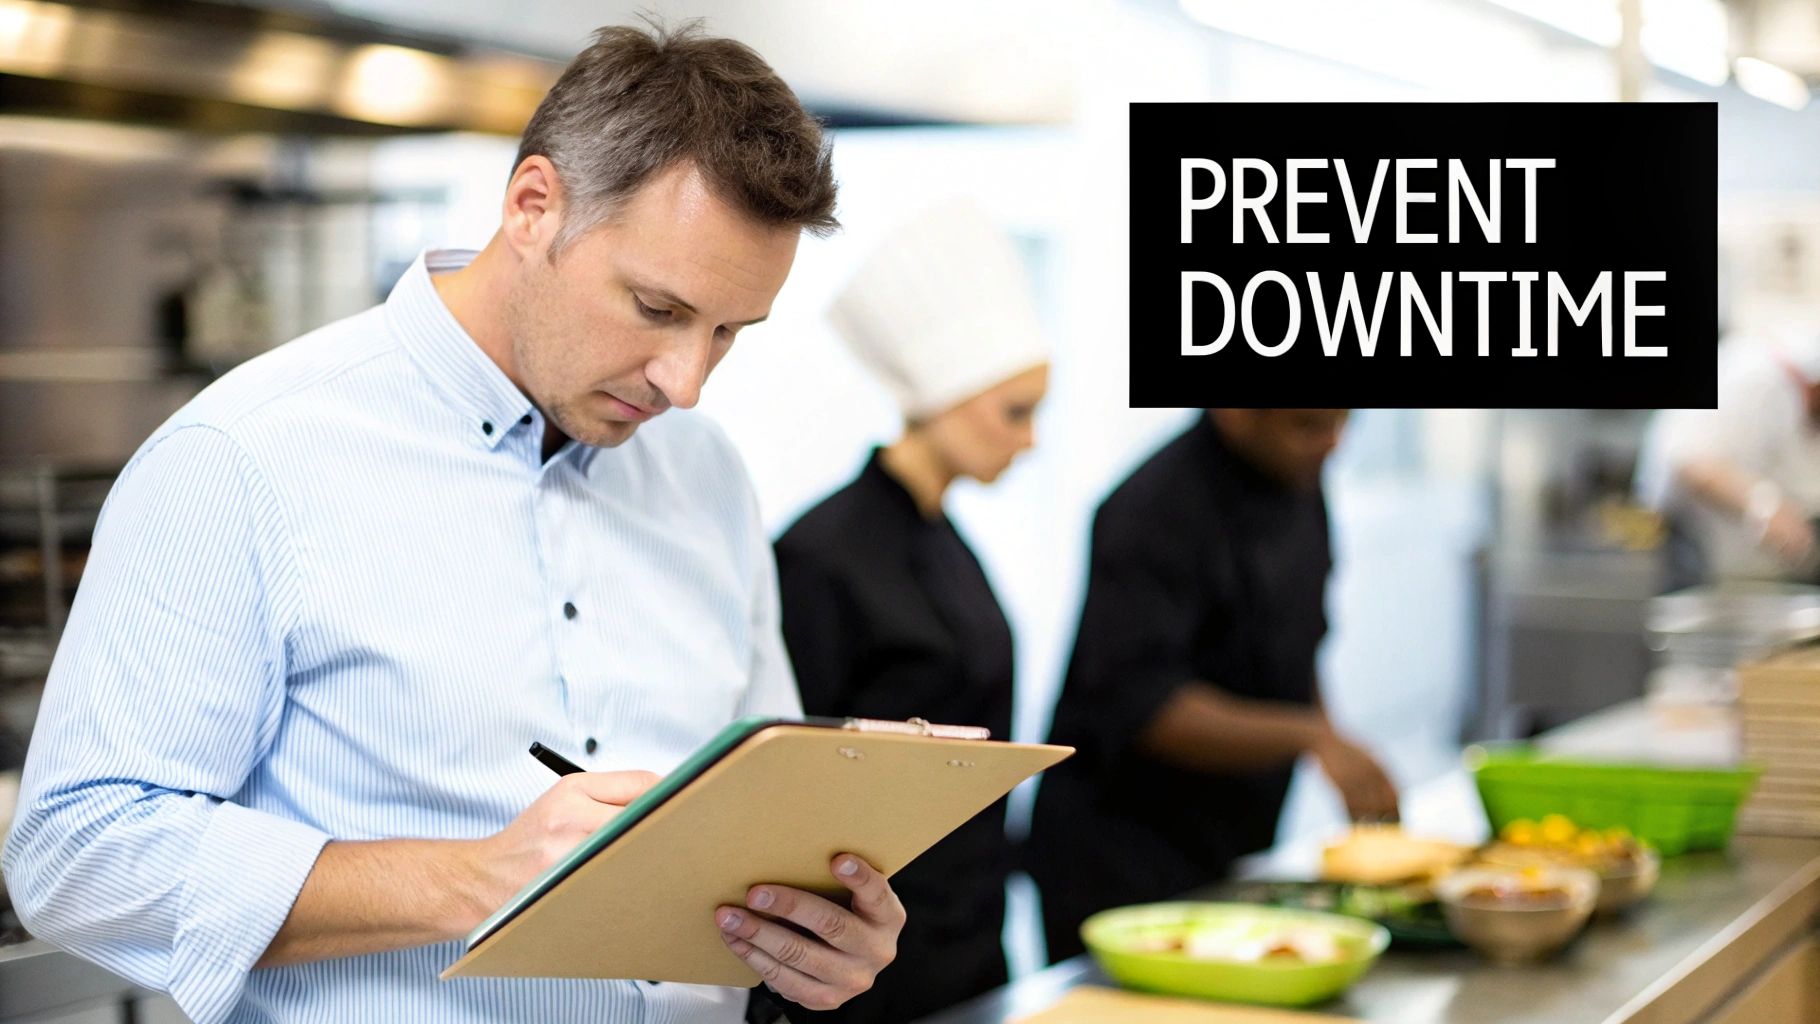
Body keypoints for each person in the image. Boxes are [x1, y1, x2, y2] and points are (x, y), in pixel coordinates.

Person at [3, 23, 903, 1024]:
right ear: (533, 207)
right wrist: (475, 877)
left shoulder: (707, 475)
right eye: (657, 308)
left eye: (728, 331)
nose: (685, 382)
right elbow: (76, 855)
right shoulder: (243, 456)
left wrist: (812, 934)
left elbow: (756, 816)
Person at [773, 201, 1048, 1023]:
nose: (1030, 441)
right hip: (868, 967)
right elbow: (791, 787)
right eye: (1016, 412)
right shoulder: (821, 555)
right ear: (943, 399)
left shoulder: (945, 540)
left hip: (973, 934)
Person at [1026, 409, 1398, 963]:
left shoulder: (1296, 480)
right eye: (1308, 426)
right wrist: (1310, 737)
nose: (1332, 443)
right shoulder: (1150, 510)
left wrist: (1330, 740)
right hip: (1123, 850)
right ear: (1236, 415)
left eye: (1345, 423)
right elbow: (1149, 708)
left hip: (1232, 838)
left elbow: (1294, 644)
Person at [1636, 331, 1820, 589]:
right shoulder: (1746, 374)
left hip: (1767, 576)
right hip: (1697, 551)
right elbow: (1690, 460)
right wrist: (1764, 505)